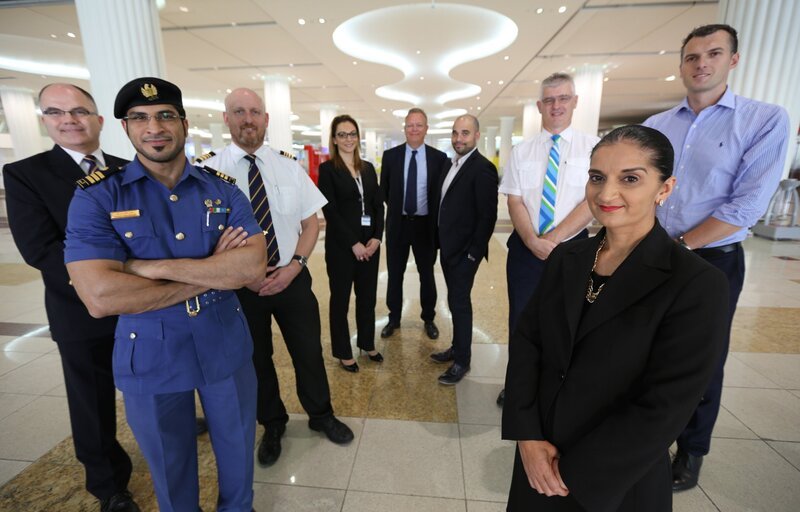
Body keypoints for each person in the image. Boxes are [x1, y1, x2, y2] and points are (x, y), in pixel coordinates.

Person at [64, 77, 266, 512]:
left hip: (224, 343)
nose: (153, 127)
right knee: (170, 472)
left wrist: (147, 268)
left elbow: (251, 267)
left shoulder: (222, 189)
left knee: (237, 458)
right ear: (125, 128)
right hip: (150, 352)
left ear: (184, 123)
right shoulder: (98, 196)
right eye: (139, 118)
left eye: (164, 116)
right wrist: (214, 271)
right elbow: (101, 296)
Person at [502, 125, 729, 511]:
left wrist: (572, 473)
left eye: (630, 179)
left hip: (613, 480)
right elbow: (528, 343)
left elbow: (666, 404)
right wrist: (527, 436)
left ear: (665, 187)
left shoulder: (695, 283)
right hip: (538, 461)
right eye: (596, 178)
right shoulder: (566, 259)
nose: (606, 194)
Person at [643, 23, 790, 491]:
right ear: (681, 65)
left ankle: (691, 449)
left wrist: (680, 248)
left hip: (711, 261)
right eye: (692, 56)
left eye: (713, 53)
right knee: (645, 350)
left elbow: (746, 206)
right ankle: (645, 437)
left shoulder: (763, 119)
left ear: (733, 60)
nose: (701, 63)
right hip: (653, 256)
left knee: (701, 359)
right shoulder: (657, 127)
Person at [2, 83, 139, 512]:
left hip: (140, 302)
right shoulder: (26, 173)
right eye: (57, 112)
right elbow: (41, 250)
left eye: (80, 111)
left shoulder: (128, 167)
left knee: (149, 377)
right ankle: (108, 484)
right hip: (80, 308)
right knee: (91, 401)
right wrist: (107, 282)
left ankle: (160, 428)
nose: (70, 119)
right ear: (45, 121)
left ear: (99, 120)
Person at [202, 88, 354, 469]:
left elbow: (310, 223)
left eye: (255, 111)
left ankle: (321, 414)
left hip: (292, 278)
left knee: (308, 352)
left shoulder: (288, 167)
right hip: (241, 288)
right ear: (226, 119)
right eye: (239, 111)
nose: (247, 118)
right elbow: (205, 239)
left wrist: (295, 266)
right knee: (257, 359)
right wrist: (245, 275)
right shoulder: (208, 173)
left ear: (266, 119)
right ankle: (272, 423)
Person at [496, 73, 599, 407]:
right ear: (540, 106)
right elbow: (514, 200)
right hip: (526, 254)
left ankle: (557, 389)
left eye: (563, 98)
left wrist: (552, 239)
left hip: (574, 253)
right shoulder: (522, 151)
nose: (556, 106)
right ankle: (519, 388)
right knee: (522, 323)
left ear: (575, 102)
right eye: (550, 100)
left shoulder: (594, 149)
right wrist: (532, 240)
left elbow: (592, 201)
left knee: (567, 324)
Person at [430, 114, 498, 385]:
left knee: (460, 303)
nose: (459, 138)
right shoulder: (452, 164)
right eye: (456, 132)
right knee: (455, 301)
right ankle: (457, 349)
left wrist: (473, 255)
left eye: (465, 133)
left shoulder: (482, 168)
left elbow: (487, 217)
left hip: (464, 254)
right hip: (449, 249)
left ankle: (462, 362)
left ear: (477, 136)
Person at [317, 114, 384, 372]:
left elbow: (379, 206)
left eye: (352, 134)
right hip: (342, 249)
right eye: (342, 134)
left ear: (358, 137)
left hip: (370, 246)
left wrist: (377, 237)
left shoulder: (367, 168)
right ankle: (344, 351)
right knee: (341, 300)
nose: (348, 139)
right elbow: (330, 210)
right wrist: (354, 243)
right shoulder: (327, 170)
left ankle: (367, 343)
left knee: (367, 298)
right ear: (334, 139)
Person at [379, 108, 447, 340]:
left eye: (419, 125)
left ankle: (429, 318)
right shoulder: (391, 157)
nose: (414, 129)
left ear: (426, 129)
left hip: (425, 227)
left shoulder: (439, 159)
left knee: (426, 274)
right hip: (398, 225)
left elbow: (441, 195)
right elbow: (385, 192)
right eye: (410, 125)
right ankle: (393, 318)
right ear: (405, 128)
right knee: (394, 274)